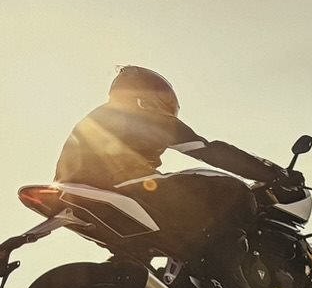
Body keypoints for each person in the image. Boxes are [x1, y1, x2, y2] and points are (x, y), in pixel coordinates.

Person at [53, 65, 290, 275]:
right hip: (123, 186)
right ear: (149, 95)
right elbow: (208, 150)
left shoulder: (95, 119)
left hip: (76, 192)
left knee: (138, 253)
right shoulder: (141, 114)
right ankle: (226, 273)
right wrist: (271, 173)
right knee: (234, 191)